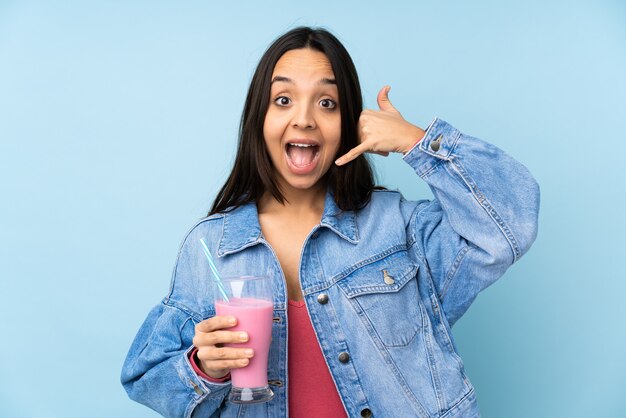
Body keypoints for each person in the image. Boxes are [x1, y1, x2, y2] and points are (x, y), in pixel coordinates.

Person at [121, 26, 540, 418]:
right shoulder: (210, 247)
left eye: (327, 103)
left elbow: (508, 226)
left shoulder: (398, 227)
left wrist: (416, 141)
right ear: (259, 119)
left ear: (348, 125)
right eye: (283, 100)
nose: (304, 119)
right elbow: (146, 377)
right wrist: (204, 367)